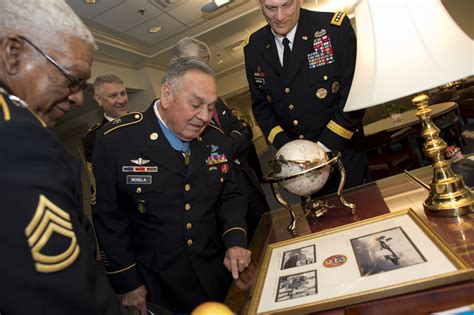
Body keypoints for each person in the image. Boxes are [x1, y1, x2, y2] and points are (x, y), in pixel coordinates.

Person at [92, 58, 251, 313]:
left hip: (218, 269)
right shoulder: (116, 142)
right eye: (196, 104)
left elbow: (230, 194)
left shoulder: (217, 140)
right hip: (159, 283)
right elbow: (109, 219)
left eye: (210, 107)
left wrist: (235, 239)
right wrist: (127, 283)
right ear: (167, 95)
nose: (204, 117)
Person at [0, 1, 121, 314]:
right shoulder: (20, 138)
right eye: (73, 79)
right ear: (12, 54)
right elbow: (66, 299)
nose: (79, 98)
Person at [244, 0, 369, 194]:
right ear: (259, 5)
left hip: (343, 155)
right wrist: (292, 152)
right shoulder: (254, 48)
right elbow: (261, 107)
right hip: (301, 168)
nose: (279, 16)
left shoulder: (332, 28)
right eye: (270, 8)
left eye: (287, 5)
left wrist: (320, 150)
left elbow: (354, 93)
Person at [171, 37, 271, 241]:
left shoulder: (214, 99)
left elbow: (243, 131)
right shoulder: (174, 108)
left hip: (245, 183)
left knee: (269, 234)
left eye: (205, 65)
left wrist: (226, 146)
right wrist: (231, 143)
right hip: (219, 200)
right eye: (195, 64)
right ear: (175, 63)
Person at [82, 74, 129, 205]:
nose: (121, 100)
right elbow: (100, 186)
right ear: (98, 99)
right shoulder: (92, 138)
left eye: (123, 93)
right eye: (113, 96)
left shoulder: (146, 123)